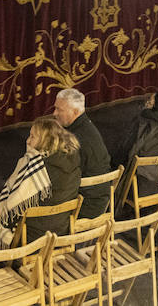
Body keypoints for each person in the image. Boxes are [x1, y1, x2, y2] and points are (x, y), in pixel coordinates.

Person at [0, 116, 80, 246]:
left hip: (32, 238)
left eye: (33, 137)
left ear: (45, 141)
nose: (28, 141)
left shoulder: (35, 166)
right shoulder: (73, 160)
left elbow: (11, 210)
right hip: (60, 233)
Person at [54, 88, 111, 220]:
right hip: (102, 201)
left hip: (84, 206)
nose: (54, 113)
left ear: (75, 112)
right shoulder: (87, 127)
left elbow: (63, 180)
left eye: (59, 110)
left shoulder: (74, 140)